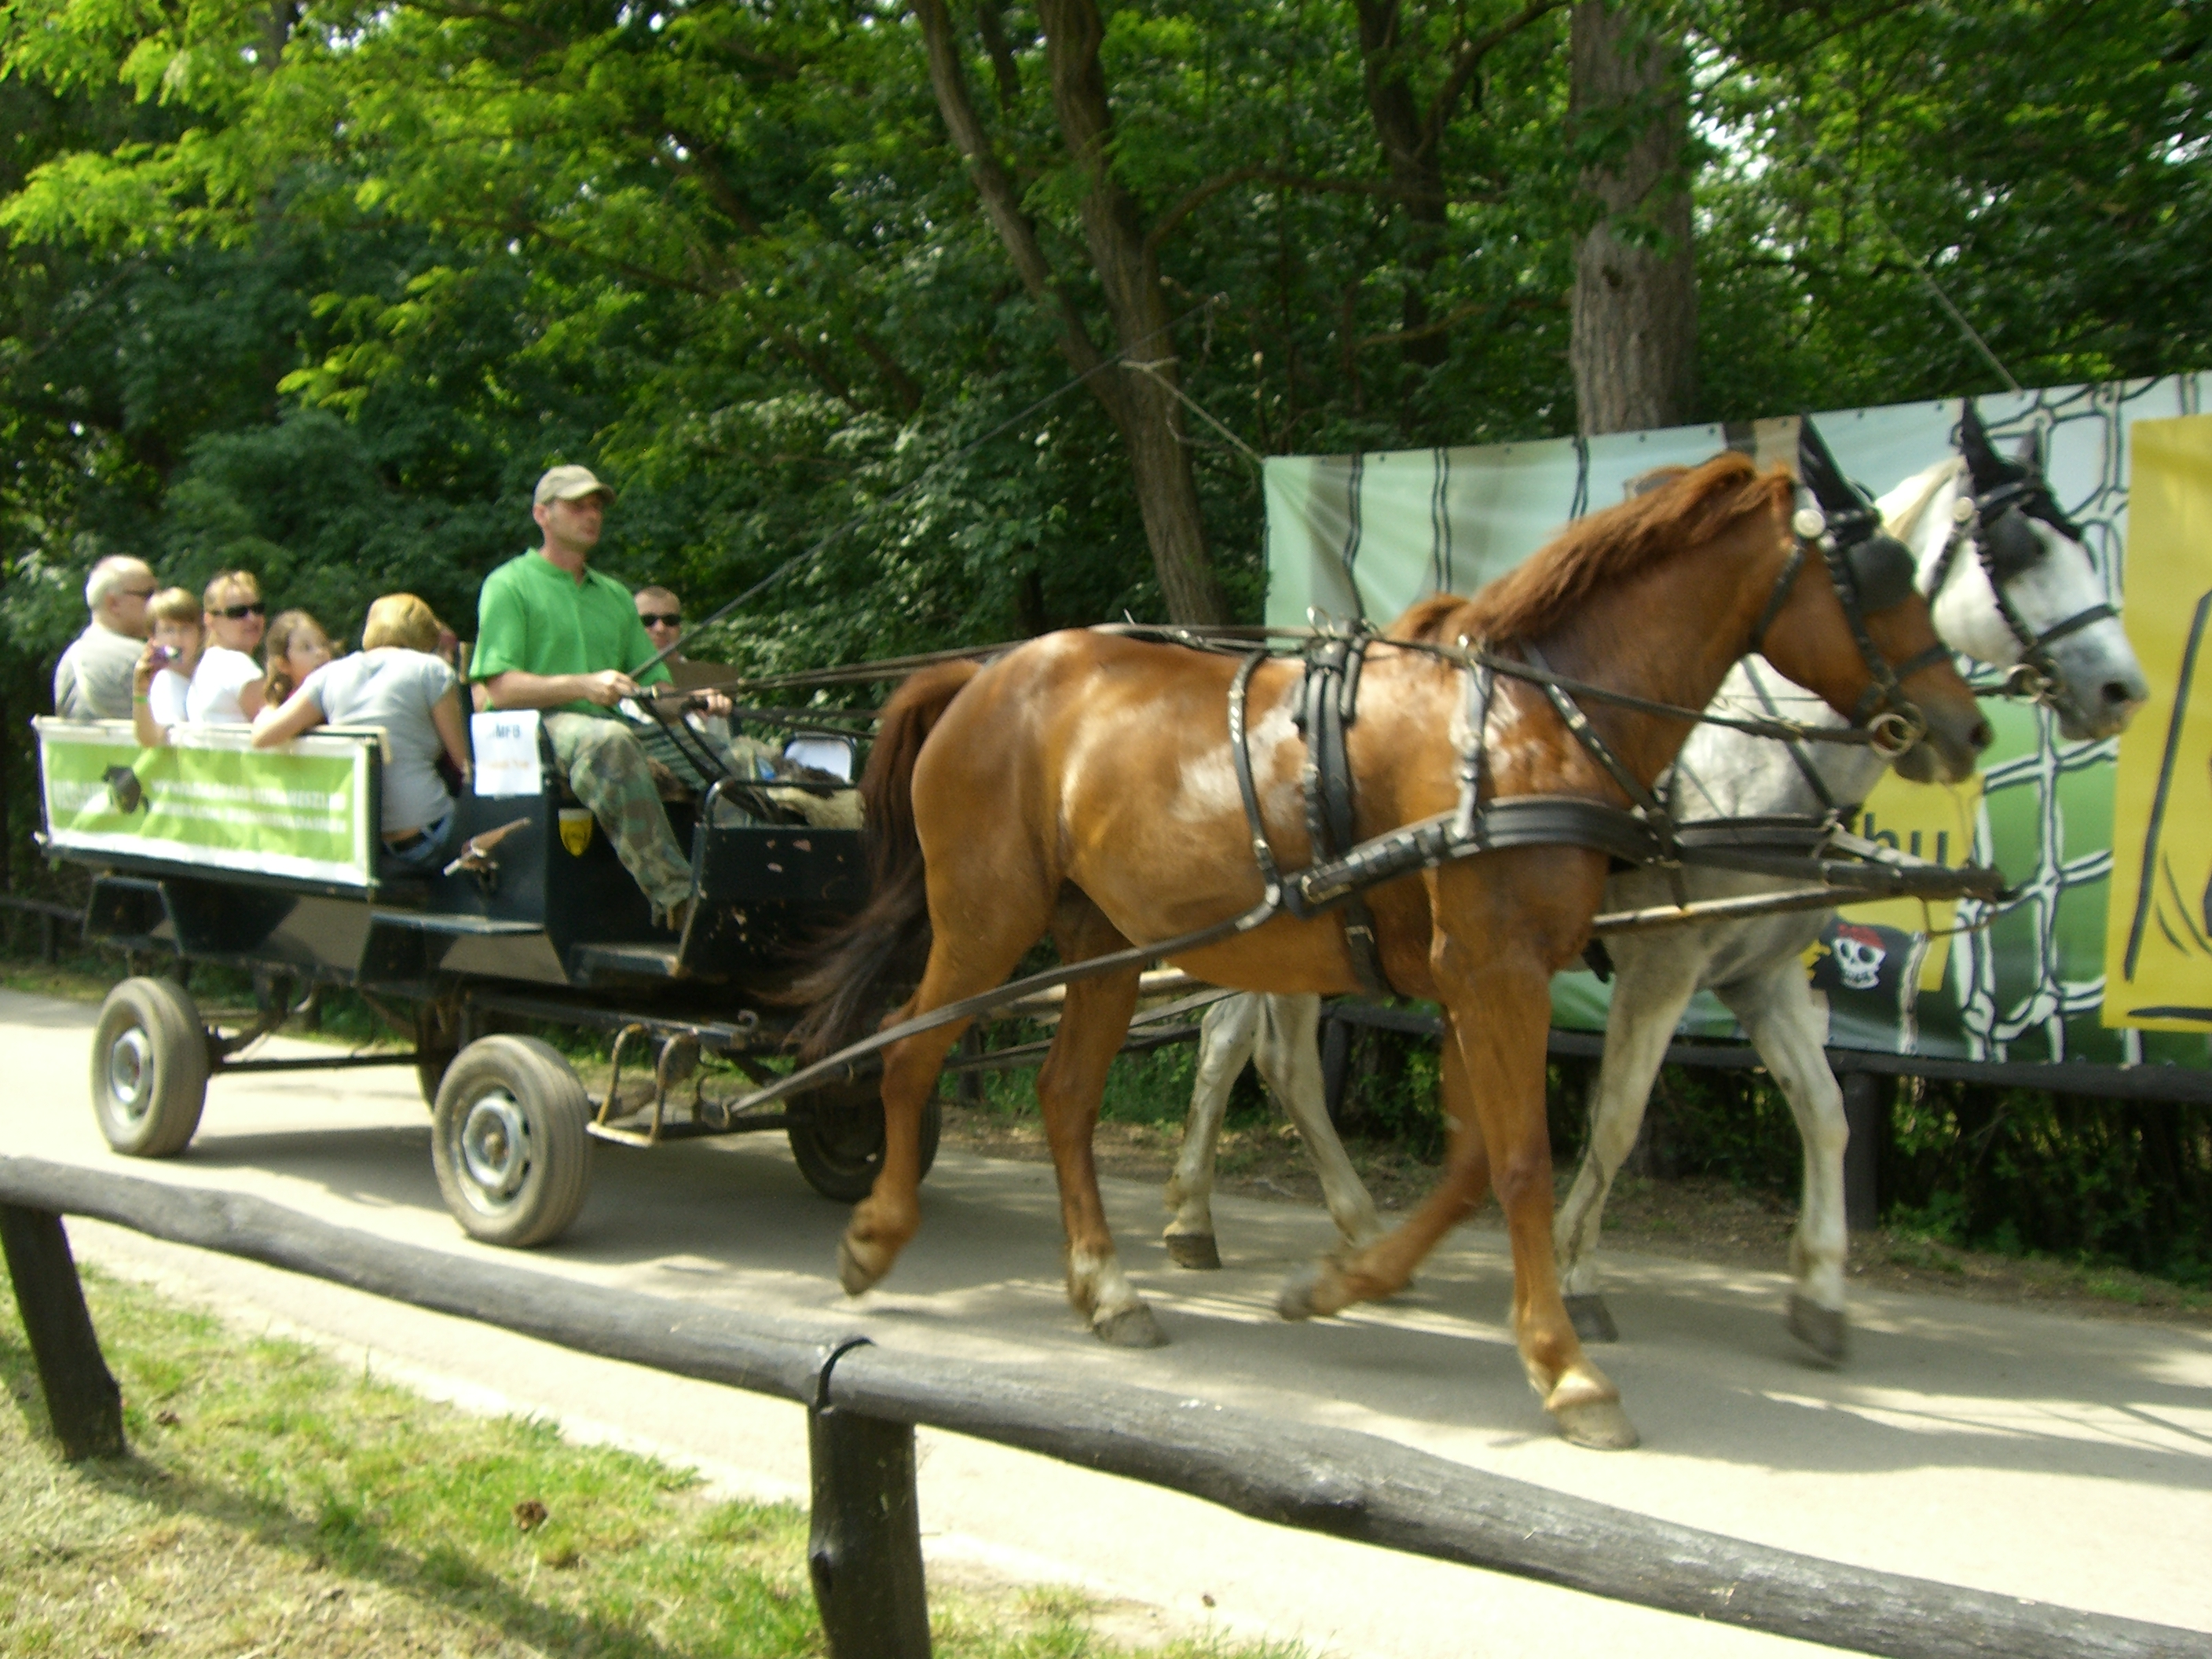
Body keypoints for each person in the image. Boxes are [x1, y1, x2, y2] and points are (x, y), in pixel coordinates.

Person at [471, 466, 723, 925]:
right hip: (534, 727)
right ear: (541, 514)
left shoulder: (614, 597)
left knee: (736, 757)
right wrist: (585, 685)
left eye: (597, 507)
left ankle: (748, 891)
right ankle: (679, 901)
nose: (592, 515)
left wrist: (693, 701)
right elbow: (499, 690)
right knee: (608, 741)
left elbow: (656, 692)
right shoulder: (509, 585)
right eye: (578, 505)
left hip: (615, 725)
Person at [253, 595, 471, 870]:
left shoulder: (329, 675)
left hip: (364, 841)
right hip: (427, 833)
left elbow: (262, 737)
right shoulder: (432, 671)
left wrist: (271, 703)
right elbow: (467, 764)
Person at [53, 555, 156, 720]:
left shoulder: (68, 660)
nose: (157, 603)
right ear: (113, 603)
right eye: (148, 595)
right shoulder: (143, 658)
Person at [130, 588, 211, 748]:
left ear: (200, 633)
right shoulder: (164, 682)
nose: (177, 638)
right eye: (168, 630)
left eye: (185, 629)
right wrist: (140, 692)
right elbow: (153, 739)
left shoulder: (207, 672)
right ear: (154, 638)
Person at [188, 569, 268, 723]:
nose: (252, 618)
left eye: (258, 609)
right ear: (210, 621)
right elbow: (274, 727)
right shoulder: (238, 665)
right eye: (237, 612)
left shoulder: (209, 663)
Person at [260, 610, 335, 709]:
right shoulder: (286, 708)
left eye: (323, 644)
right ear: (284, 664)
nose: (320, 652)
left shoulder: (339, 694)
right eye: (306, 648)